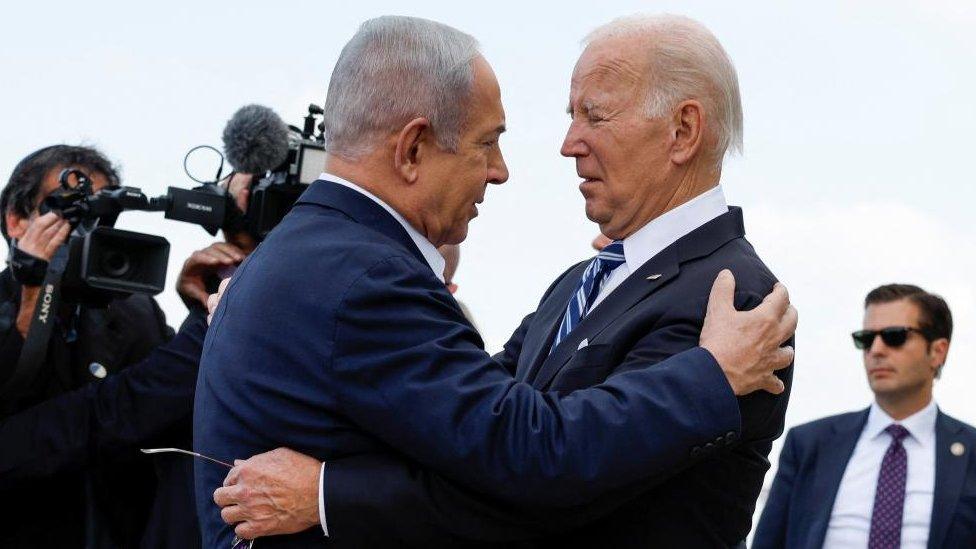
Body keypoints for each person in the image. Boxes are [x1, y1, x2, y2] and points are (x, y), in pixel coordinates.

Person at [195, 15, 796, 547]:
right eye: (571, 116)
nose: (567, 145)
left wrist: (329, 496)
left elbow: (540, 488)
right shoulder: (576, 285)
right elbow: (496, 440)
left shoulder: (736, 306)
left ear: (683, 131)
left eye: (595, 115)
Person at [0, 152, 254, 548]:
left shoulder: (135, 313)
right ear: (16, 220)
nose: (86, 230)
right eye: (69, 209)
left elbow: (168, 401)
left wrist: (207, 301)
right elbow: (102, 414)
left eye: (103, 213)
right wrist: (34, 290)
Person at [753, 284, 976, 548]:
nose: (876, 350)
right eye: (866, 339)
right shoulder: (809, 445)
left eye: (895, 336)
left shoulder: (971, 453)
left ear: (937, 351)